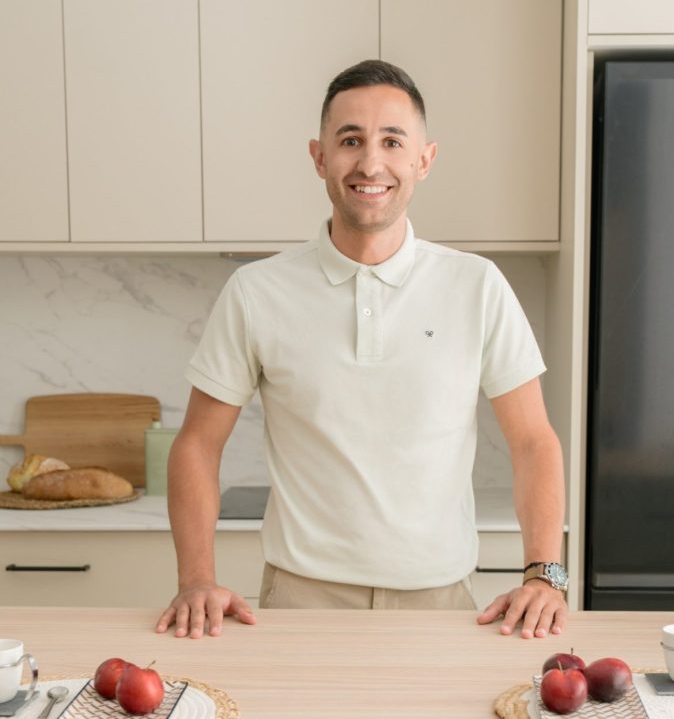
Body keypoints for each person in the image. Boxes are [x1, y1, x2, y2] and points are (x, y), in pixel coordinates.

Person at [155, 59, 567, 640]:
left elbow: (533, 442)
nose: (370, 163)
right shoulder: (257, 291)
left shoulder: (477, 286)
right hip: (297, 603)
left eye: (392, 141)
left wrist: (546, 575)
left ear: (424, 160)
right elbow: (197, 443)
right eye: (350, 140)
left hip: (444, 606)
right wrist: (196, 578)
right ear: (319, 157)